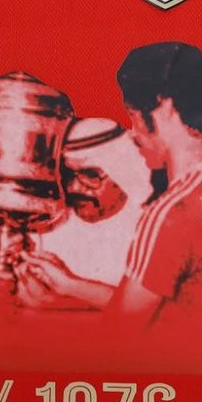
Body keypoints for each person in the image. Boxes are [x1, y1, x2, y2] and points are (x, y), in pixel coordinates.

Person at [14, 43, 202, 343]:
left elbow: (120, 334)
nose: (135, 134)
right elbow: (179, 309)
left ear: (165, 108)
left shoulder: (172, 210)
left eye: (134, 116)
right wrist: (69, 288)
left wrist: (43, 322)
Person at [43, 117, 151, 285]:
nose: (74, 188)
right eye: (68, 174)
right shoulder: (50, 229)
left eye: (90, 175)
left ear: (122, 174)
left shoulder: (149, 232)